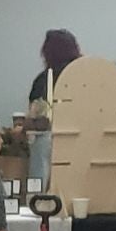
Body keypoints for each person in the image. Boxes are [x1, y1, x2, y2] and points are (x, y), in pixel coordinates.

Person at [25, 29, 79, 186]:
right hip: (80, 143)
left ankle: (35, 199)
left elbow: (37, 117)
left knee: (41, 145)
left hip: (48, 142)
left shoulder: (44, 80)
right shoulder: (85, 77)